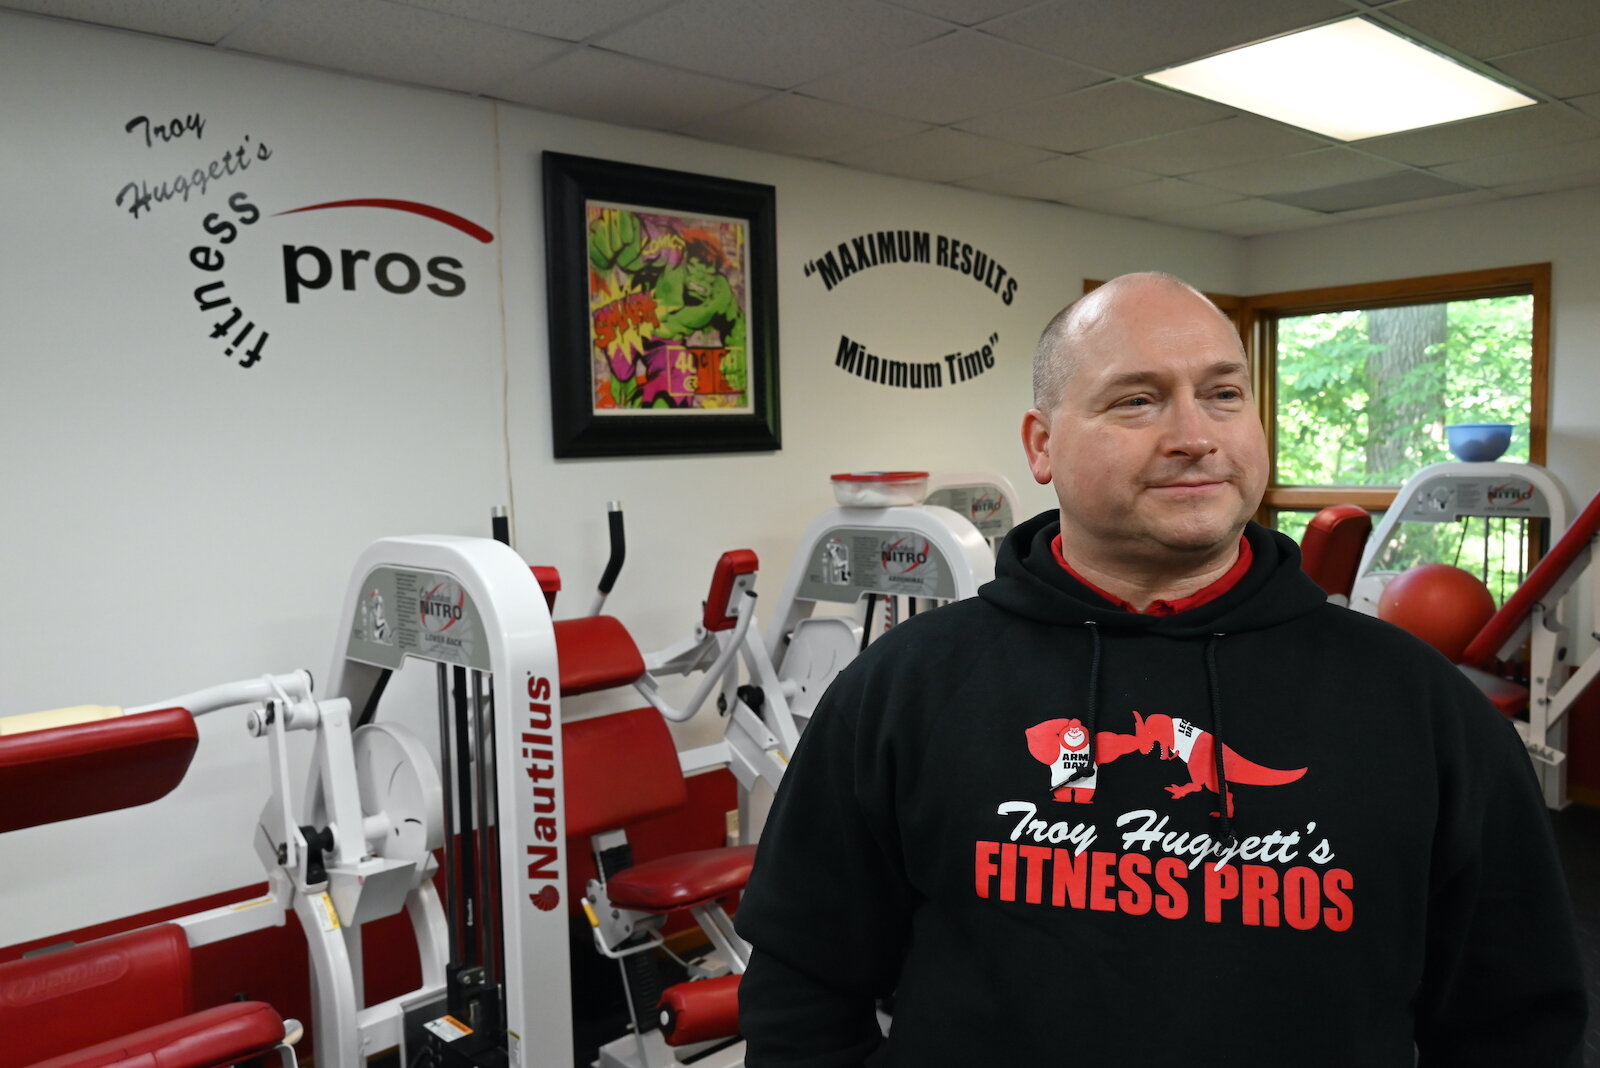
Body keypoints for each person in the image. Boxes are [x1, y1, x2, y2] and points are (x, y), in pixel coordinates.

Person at [735, 272, 1588, 1065]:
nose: (1194, 436)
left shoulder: (1423, 707)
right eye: (1137, 401)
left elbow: (1515, 1021)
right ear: (1042, 444)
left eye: (1223, 395)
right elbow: (802, 983)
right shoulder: (902, 689)